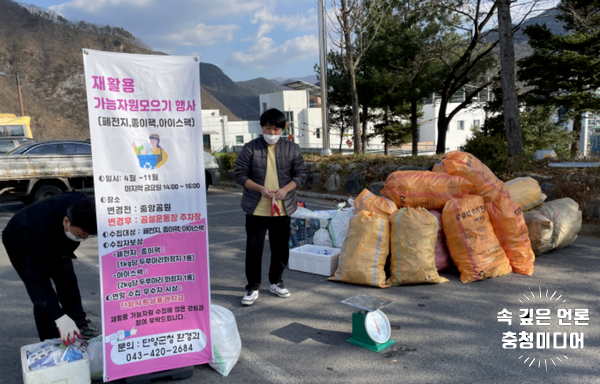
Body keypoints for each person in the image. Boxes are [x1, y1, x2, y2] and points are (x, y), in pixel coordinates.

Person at [2, 192, 101, 345]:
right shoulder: (34, 232)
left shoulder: (86, 206)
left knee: (67, 281)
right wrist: (59, 316)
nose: (83, 239)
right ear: (66, 221)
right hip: (19, 239)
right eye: (80, 236)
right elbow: (36, 281)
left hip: (59, 237)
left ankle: (80, 325)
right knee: (42, 294)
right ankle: (51, 339)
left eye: (87, 237)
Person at [234, 108, 306, 306]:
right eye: (268, 128)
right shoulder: (250, 148)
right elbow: (239, 175)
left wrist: (285, 189)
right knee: (254, 248)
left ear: (282, 129)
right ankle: (252, 286)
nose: (272, 133)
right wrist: (259, 189)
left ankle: (276, 282)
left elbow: (300, 175)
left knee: (281, 248)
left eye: (276, 129)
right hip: (256, 208)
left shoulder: (292, 148)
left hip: (283, 208)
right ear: (262, 127)